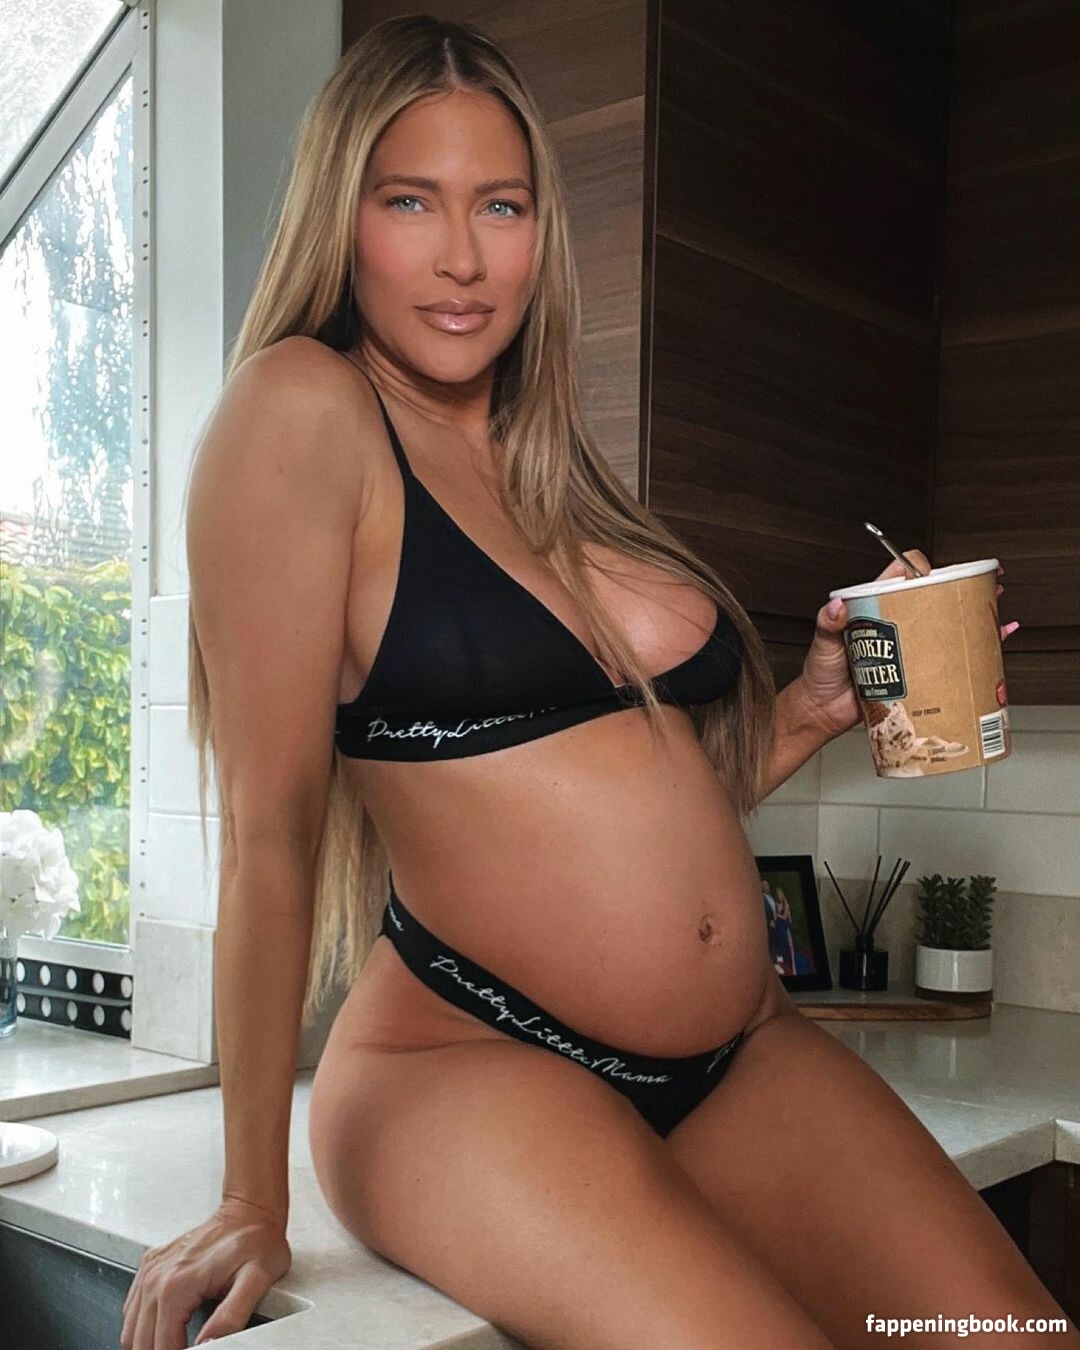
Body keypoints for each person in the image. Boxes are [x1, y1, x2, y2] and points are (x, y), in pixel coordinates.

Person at [120, 15, 1070, 1350]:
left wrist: (809, 709)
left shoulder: (555, 458)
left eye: (501, 205)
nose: (463, 257)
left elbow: (613, 800)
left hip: (742, 1051)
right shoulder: (304, 411)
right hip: (467, 1059)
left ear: (540, 230)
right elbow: (269, 838)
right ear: (344, 218)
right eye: (411, 201)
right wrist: (246, 1197)